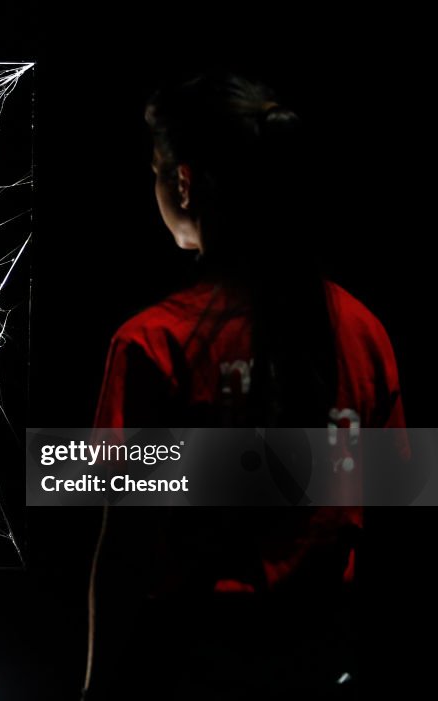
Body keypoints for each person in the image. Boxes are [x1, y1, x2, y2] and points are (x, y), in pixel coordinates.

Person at [83, 73, 406, 698]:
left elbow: (125, 550)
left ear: (183, 181)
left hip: (191, 667)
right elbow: (390, 518)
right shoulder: (365, 332)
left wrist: (96, 692)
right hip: (322, 665)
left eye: (156, 169)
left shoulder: (152, 344)